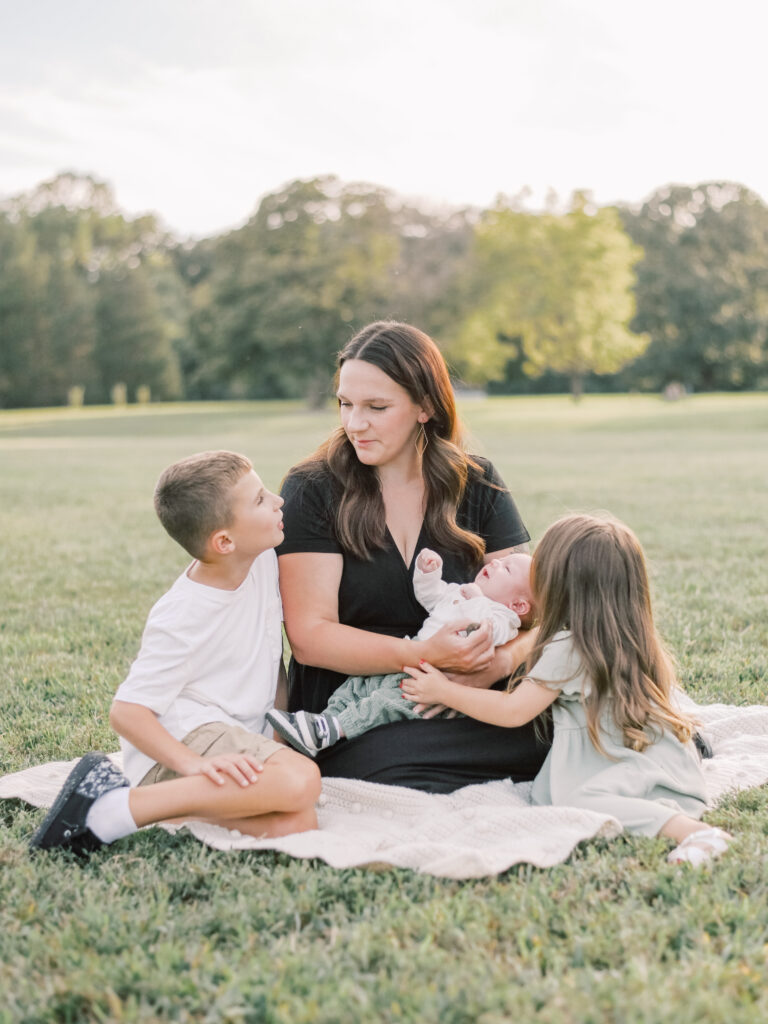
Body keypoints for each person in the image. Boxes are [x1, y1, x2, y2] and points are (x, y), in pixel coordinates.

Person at [277, 321, 552, 793]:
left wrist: (494, 668)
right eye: (345, 404)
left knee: (558, 711)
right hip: (355, 701)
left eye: (376, 407)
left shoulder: (478, 482)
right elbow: (309, 637)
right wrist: (421, 654)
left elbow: (537, 613)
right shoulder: (312, 489)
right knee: (382, 758)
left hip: (470, 689)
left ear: (425, 406)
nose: (353, 423)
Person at [31, 451, 321, 855]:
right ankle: (119, 807)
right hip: (183, 743)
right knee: (301, 780)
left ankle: (155, 810)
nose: (278, 501)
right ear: (224, 541)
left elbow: (272, 660)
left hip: (230, 739)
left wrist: (273, 740)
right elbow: (127, 712)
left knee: (297, 822)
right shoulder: (183, 614)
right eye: (259, 500)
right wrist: (193, 764)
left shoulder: (262, 560)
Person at [400, 513, 732, 866]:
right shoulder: (630, 636)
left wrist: (444, 691)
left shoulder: (567, 646)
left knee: (577, 799)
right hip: (656, 754)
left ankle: (694, 832)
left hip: (611, 760)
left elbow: (513, 711)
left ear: (562, 587)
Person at [267, 548, 534, 756]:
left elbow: (484, 630)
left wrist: (476, 598)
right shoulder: (459, 592)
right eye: (500, 562)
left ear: (519, 605)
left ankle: (335, 729)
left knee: (384, 703)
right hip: (408, 661)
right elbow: (429, 596)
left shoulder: (503, 618)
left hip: (432, 678)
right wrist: (428, 573)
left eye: (507, 569)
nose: (495, 563)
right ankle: (323, 723)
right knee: (357, 686)